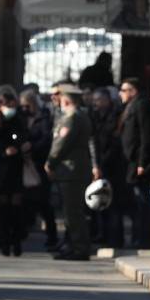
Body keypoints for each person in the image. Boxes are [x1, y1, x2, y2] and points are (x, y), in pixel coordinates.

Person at [45, 85, 93, 261]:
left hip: (71, 171)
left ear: (66, 100)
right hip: (76, 170)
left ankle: (79, 247)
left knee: (72, 212)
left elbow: (61, 144)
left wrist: (50, 162)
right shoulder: (81, 116)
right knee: (73, 211)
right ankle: (74, 245)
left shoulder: (71, 118)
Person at [0, 85, 31, 257]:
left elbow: (25, 137)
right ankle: (4, 242)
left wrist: (23, 145)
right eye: (6, 104)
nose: (9, 108)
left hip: (15, 169)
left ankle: (16, 241)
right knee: (2, 209)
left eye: (12, 104)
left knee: (16, 207)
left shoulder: (19, 121)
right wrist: (3, 152)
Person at [119, 77, 150, 249]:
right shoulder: (131, 106)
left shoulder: (142, 105)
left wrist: (142, 162)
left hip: (138, 163)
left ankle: (144, 239)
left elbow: (146, 136)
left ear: (133, 91)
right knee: (135, 203)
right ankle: (138, 236)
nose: (121, 94)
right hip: (131, 162)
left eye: (124, 90)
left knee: (141, 202)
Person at [20, 89, 58, 247]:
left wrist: (32, 147)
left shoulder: (44, 118)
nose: (25, 109)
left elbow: (47, 138)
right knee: (25, 199)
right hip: (25, 163)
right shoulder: (22, 118)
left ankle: (51, 234)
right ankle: (23, 230)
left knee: (43, 201)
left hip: (39, 162)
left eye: (27, 105)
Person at [90, 86, 127, 248]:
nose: (95, 104)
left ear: (106, 100)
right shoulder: (96, 116)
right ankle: (103, 234)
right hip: (101, 164)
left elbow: (112, 142)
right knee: (102, 202)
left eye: (98, 100)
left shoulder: (115, 116)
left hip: (113, 165)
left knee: (114, 204)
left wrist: (102, 163)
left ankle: (115, 238)